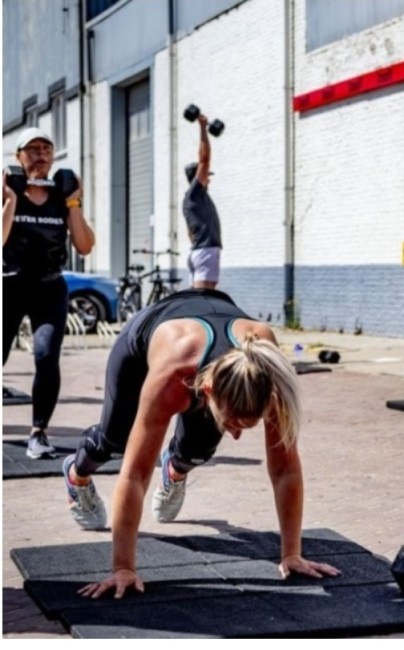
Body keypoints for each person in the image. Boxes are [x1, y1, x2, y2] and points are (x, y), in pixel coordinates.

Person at [61, 288, 341, 598]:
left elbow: (285, 469)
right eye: (232, 424)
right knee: (114, 443)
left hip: (216, 321)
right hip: (143, 346)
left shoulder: (270, 376)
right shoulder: (172, 375)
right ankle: (77, 475)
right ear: (206, 391)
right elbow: (135, 475)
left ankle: (175, 471)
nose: (235, 436)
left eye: (248, 425)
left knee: (197, 452)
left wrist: (291, 553)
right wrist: (123, 568)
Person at [2, 127, 96, 459]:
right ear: (19, 156)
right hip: (8, 287)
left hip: (49, 288)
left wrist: (73, 203)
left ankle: (38, 432)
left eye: (47, 148)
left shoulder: (62, 195)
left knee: (45, 355)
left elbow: (84, 246)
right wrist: (11, 199)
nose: (41, 154)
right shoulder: (6, 191)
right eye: (33, 148)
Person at [182, 112, 222, 289]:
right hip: (205, 251)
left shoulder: (192, 199)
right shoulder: (195, 193)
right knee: (203, 302)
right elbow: (204, 160)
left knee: (197, 303)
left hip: (198, 251)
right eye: (207, 176)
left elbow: (190, 233)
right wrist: (202, 128)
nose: (209, 179)